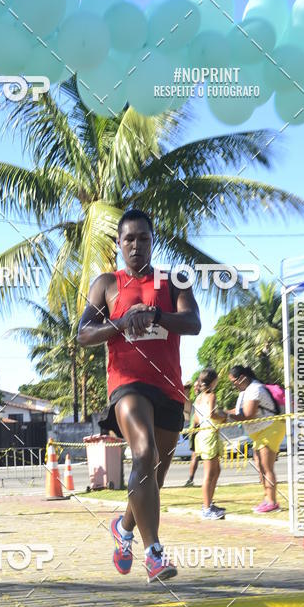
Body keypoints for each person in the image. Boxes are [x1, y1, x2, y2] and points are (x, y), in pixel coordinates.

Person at [77, 208, 201, 583]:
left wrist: (156, 316)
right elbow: (83, 334)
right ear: (118, 243)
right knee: (143, 453)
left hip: (168, 387)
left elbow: (193, 323)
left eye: (143, 238)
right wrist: (120, 322)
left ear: (153, 240)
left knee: (154, 475)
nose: (135, 245)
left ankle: (124, 527)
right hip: (127, 383)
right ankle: (155, 555)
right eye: (128, 239)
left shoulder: (174, 280)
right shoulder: (106, 284)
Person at [228, 365, 286, 513]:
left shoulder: (255, 389)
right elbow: (238, 410)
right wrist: (223, 413)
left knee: (267, 467)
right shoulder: (244, 392)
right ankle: (267, 499)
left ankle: (272, 502)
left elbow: (248, 415)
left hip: (271, 428)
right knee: (260, 467)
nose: (233, 385)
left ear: (242, 378)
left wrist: (226, 416)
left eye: (234, 381)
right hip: (260, 432)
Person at [192, 369, 228, 519]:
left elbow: (196, 420)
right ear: (213, 381)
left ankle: (209, 503)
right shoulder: (211, 396)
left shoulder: (198, 398)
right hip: (209, 435)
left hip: (202, 434)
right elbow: (212, 414)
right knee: (209, 474)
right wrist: (224, 416)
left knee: (216, 470)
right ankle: (206, 508)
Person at [184, 376, 201, 487]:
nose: (196, 389)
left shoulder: (208, 397)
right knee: (195, 455)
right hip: (195, 430)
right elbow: (187, 414)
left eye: (198, 386)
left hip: (204, 430)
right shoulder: (192, 401)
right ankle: (190, 479)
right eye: (194, 387)